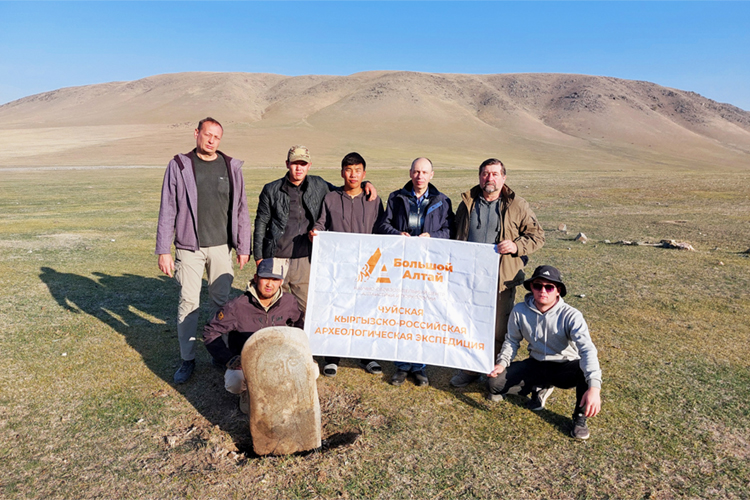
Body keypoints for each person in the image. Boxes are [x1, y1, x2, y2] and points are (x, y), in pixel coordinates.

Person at [156, 117, 251, 384]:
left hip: (221, 246)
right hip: (189, 247)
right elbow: (167, 208)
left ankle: (219, 354)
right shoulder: (179, 166)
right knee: (189, 303)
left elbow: (241, 209)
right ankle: (187, 359)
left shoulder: (231, 167)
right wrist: (164, 250)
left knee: (221, 303)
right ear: (196, 133)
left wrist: (243, 246)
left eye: (216, 137)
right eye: (207, 134)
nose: (211, 140)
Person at [450, 158, 544, 392]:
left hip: (502, 279)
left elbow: (537, 236)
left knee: (499, 328)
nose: (489, 178)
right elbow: (454, 234)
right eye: (485, 173)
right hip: (470, 278)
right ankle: (470, 369)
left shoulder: (517, 205)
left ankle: (494, 375)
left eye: (494, 174)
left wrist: (516, 246)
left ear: (503, 178)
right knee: (469, 324)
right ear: (479, 176)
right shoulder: (467, 203)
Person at [253, 145, 376, 314]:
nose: (299, 168)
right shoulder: (271, 189)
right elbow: (261, 222)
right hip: (277, 257)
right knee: (273, 308)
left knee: (308, 310)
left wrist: (366, 183)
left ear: (309, 165)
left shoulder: (318, 184)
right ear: (287, 164)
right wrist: (259, 257)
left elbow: (345, 189)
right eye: (295, 163)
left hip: (306, 259)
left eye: (303, 164)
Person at [487, 265, 602, 439]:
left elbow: (587, 350)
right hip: (536, 363)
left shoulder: (572, 315)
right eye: (538, 285)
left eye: (549, 287)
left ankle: (579, 419)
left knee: (584, 369)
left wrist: (594, 388)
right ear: (531, 287)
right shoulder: (519, 310)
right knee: (494, 384)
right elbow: (512, 341)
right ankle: (539, 388)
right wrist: (502, 364)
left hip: (564, 366)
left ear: (558, 291)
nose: (543, 291)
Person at [376, 157, 454, 387]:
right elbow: (383, 225)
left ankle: (420, 366)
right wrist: (397, 234)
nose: (420, 176)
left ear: (432, 175)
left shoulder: (442, 201)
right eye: (416, 171)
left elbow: (450, 230)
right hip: (401, 265)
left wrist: (432, 236)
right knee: (402, 313)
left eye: (424, 172)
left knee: (423, 315)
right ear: (410, 173)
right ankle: (401, 365)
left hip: (428, 268)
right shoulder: (396, 197)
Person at [309, 152, 385, 377]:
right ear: (342, 172)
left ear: (364, 173)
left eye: (358, 170)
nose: (353, 175)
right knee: (336, 308)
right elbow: (322, 223)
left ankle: (367, 355)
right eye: (349, 170)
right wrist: (316, 232)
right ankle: (332, 357)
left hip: (367, 267)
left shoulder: (373, 200)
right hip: (338, 266)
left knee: (366, 310)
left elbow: (381, 229)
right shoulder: (331, 198)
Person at [202, 258, 303, 413]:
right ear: (256, 278)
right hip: (248, 361)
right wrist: (229, 358)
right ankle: (246, 392)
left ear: (281, 282)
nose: (269, 284)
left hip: (278, 357)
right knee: (234, 381)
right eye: (265, 278)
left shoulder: (288, 301)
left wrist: (297, 350)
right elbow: (210, 332)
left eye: (275, 280)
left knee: (312, 371)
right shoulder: (237, 306)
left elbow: (299, 324)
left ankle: (277, 390)